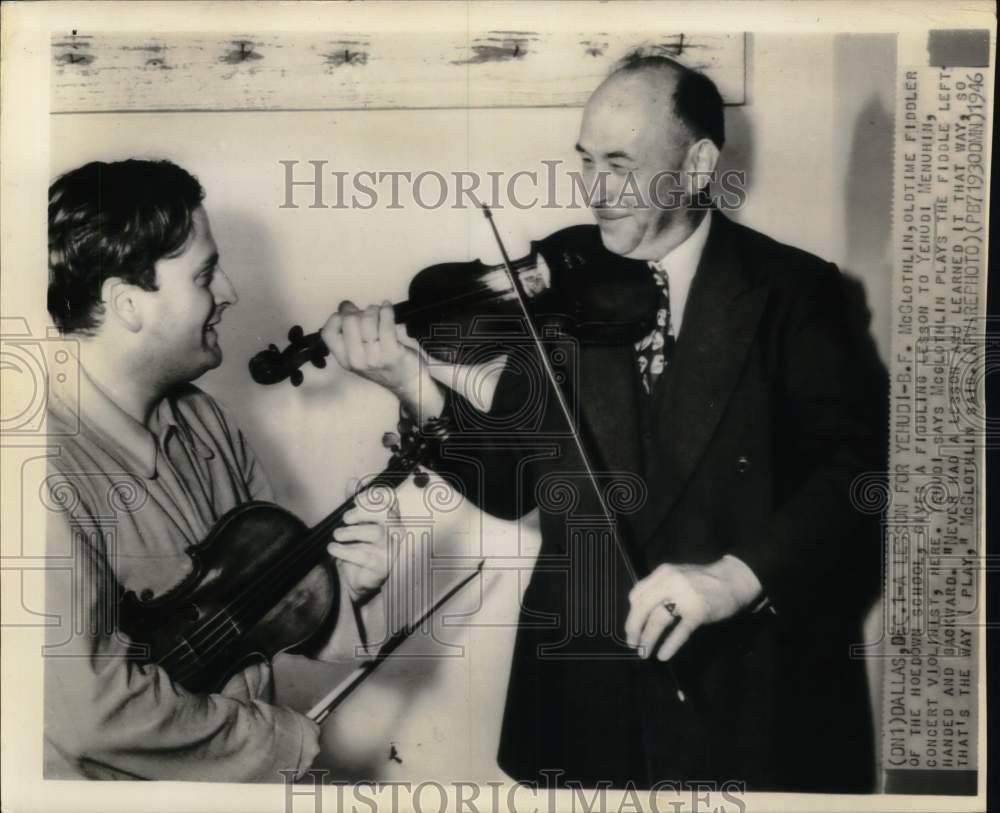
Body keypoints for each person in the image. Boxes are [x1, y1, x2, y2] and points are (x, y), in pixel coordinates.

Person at [324, 55, 887, 791]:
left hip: (749, 696)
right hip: (581, 697)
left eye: (619, 164)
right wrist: (412, 384)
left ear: (697, 165)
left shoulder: (795, 291)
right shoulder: (564, 282)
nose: (593, 191)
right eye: (585, 162)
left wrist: (736, 578)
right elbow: (515, 479)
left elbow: (856, 473)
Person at [43, 159, 398, 782]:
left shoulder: (207, 422)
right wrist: (282, 743)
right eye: (206, 275)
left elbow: (254, 621)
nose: (229, 291)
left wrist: (343, 594)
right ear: (127, 304)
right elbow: (93, 714)